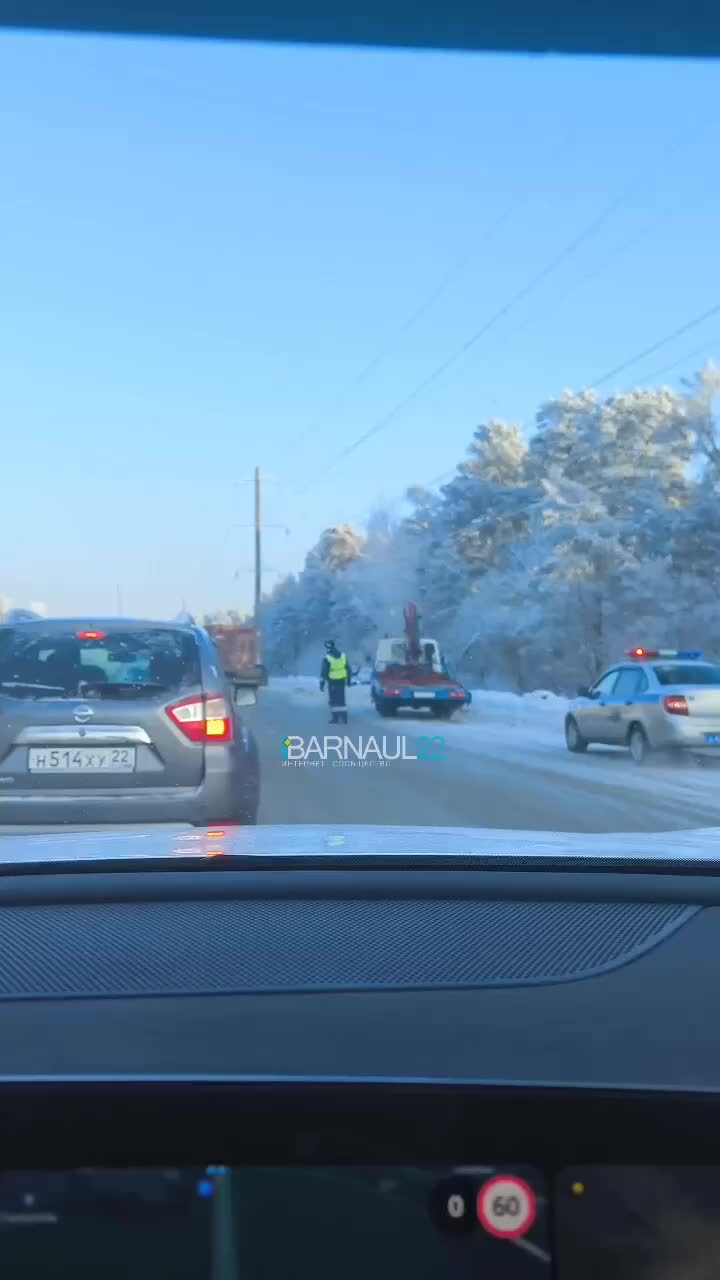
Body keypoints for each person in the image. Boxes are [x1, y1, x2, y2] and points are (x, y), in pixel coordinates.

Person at [320, 640, 351, 724]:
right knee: (341, 698)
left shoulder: (327, 657)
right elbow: (348, 668)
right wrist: (348, 680)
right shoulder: (343, 656)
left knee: (333, 700)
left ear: (327, 647)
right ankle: (344, 717)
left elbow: (324, 671)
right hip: (341, 680)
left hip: (332, 681)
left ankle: (335, 718)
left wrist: (322, 683)